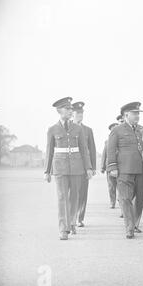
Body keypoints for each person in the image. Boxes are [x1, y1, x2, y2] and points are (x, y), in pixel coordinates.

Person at [44, 97, 93, 240]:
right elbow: (49, 151)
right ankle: (63, 229)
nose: (71, 111)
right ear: (60, 111)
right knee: (62, 198)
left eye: (72, 109)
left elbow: (84, 150)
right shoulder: (52, 129)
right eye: (68, 109)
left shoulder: (78, 129)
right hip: (59, 169)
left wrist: (88, 168)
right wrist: (47, 171)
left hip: (77, 168)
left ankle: (71, 223)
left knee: (74, 197)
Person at [107, 102, 143, 239]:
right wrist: (112, 167)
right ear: (126, 115)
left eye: (138, 113)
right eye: (134, 113)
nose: (137, 116)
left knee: (140, 199)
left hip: (142, 170)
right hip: (124, 170)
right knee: (125, 199)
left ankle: (135, 223)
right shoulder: (117, 130)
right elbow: (111, 150)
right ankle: (129, 227)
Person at [71, 101, 97, 227]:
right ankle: (72, 216)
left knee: (83, 193)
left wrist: (92, 168)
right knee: (72, 193)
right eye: (77, 113)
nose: (80, 115)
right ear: (72, 114)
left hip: (84, 167)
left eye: (82, 113)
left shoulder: (88, 130)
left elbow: (92, 149)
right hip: (71, 168)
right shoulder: (68, 128)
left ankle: (79, 218)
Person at [101, 122, 119, 209]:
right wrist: (102, 167)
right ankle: (112, 202)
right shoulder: (107, 142)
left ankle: (122, 205)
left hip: (120, 167)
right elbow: (104, 154)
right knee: (111, 187)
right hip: (109, 167)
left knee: (121, 187)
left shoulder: (121, 140)